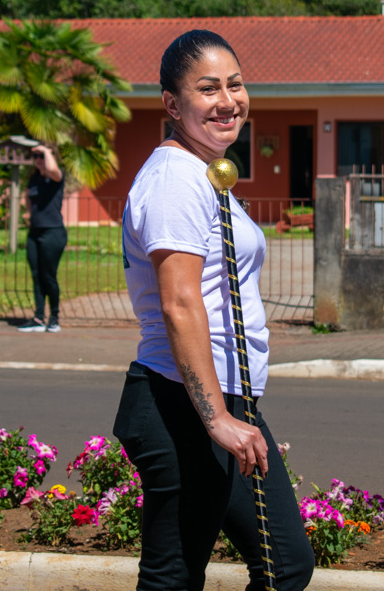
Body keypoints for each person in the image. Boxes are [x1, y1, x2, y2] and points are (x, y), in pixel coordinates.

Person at [112, 30, 314, 591]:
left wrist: (227, 413)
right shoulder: (176, 179)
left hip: (217, 402)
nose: (228, 100)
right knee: (174, 579)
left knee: (284, 564)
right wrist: (216, 419)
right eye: (208, 89)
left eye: (236, 84)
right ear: (173, 105)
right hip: (182, 405)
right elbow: (180, 303)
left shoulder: (204, 175)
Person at [18, 144, 67, 333]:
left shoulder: (57, 176)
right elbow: (29, 199)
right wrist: (30, 215)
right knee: (36, 275)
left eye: (42, 155)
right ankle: (38, 318)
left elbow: (53, 169)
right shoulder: (34, 179)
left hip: (53, 233)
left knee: (49, 276)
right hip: (35, 232)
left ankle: (54, 317)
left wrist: (46, 150)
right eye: (36, 155)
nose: (38, 158)